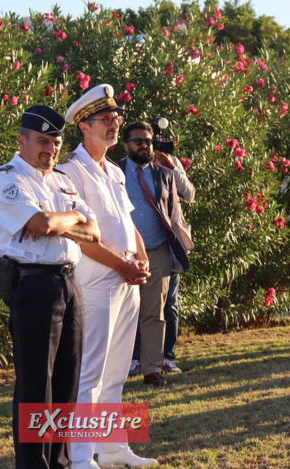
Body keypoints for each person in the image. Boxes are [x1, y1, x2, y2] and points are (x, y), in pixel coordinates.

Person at [58, 85, 157, 468]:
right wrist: (122, 265)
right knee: (90, 374)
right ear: (84, 125)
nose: (114, 125)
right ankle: (82, 457)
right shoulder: (71, 171)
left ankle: (113, 448)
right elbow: (81, 237)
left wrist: (142, 259)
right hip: (96, 283)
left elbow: (128, 222)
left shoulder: (114, 171)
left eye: (116, 118)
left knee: (116, 371)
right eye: (106, 120)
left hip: (127, 280)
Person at [0, 106, 99, 469]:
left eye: (56, 143)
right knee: (36, 389)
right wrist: (69, 218)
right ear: (21, 140)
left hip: (70, 284)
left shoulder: (60, 181)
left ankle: (60, 463)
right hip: (34, 287)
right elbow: (40, 223)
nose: (51, 150)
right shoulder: (7, 179)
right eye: (42, 141)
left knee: (67, 385)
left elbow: (94, 232)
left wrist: (61, 221)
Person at [118, 121, 189, 388]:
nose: (144, 145)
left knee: (154, 313)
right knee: (119, 312)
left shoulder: (165, 174)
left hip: (157, 252)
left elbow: (172, 215)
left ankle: (151, 369)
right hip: (122, 253)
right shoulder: (114, 172)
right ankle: (116, 370)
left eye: (148, 140)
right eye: (138, 141)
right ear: (126, 145)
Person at [130, 140, 195, 376]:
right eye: (144, 142)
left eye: (152, 143)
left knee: (169, 305)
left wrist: (173, 168)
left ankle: (167, 357)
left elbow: (189, 194)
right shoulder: (125, 169)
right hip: (135, 248)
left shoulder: (171, 164)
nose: (149, 147)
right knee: (135, 305)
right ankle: (136, 358)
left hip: (167, 246)